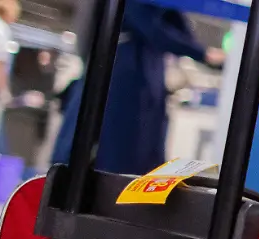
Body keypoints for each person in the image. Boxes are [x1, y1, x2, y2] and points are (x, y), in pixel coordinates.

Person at [50, 1, 225, 176]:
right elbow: (149, 25)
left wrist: (200, 51)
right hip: (125, 70)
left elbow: (171, 20)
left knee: (132, 148)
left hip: (139, 68)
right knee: (118, 147)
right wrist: (202, 53)